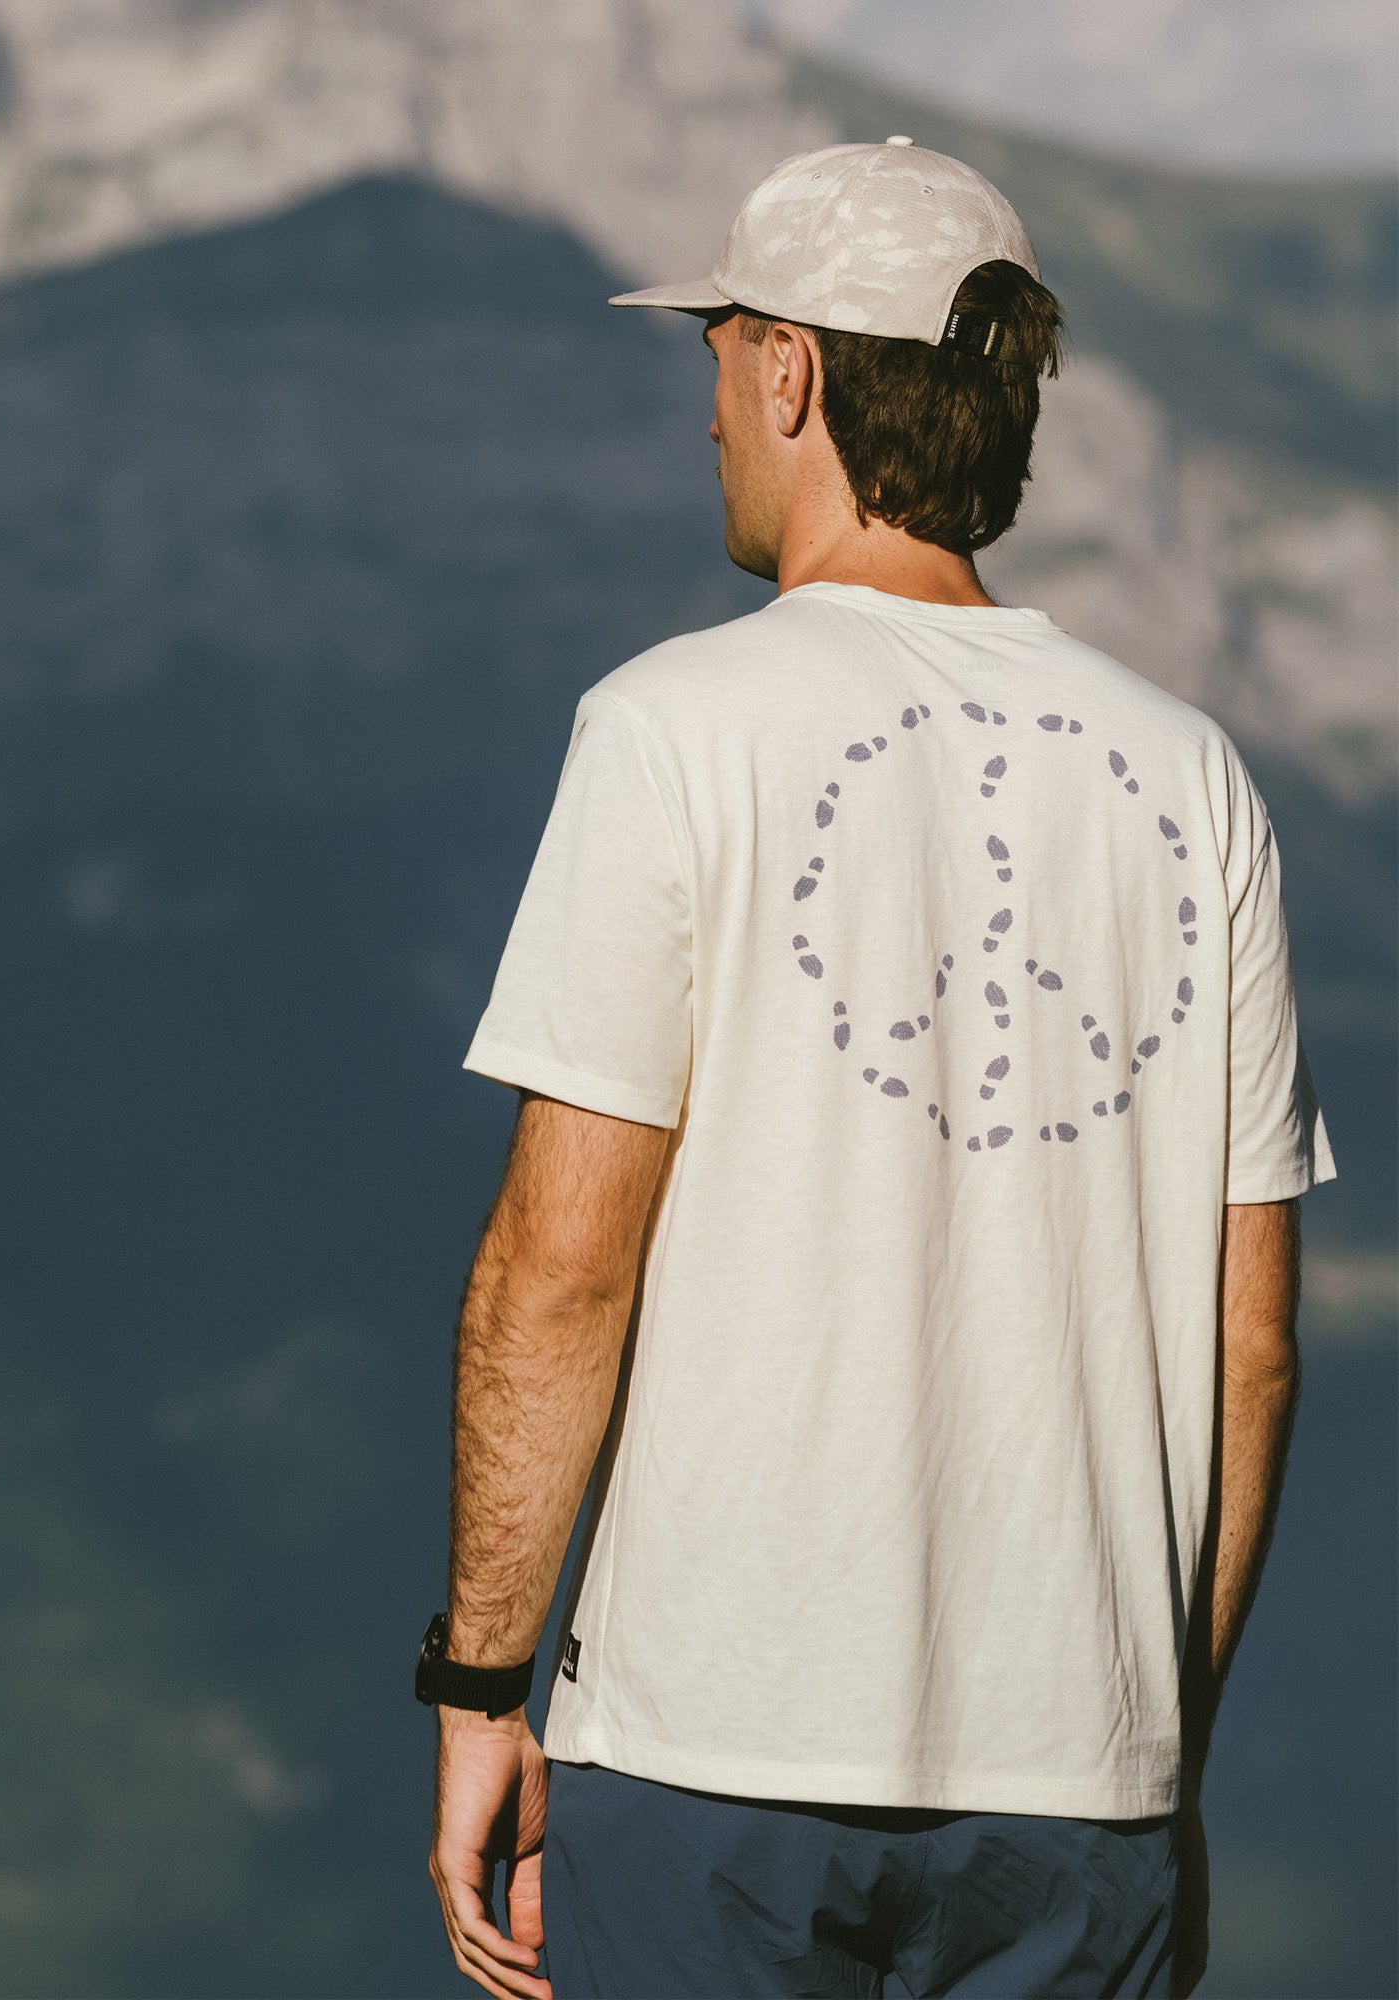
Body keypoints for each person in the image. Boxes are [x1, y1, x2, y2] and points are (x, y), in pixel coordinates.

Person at [415, 139, 1335, 2000]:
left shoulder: (671, 728)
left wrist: (481, 1682)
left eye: (719, 358)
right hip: (1083, 1792)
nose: (709, 421)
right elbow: (1249, 1345)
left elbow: (561, 1264)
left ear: (792, 373)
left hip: (713, 1766)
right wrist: (1156, 1754)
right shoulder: (1196, 778)